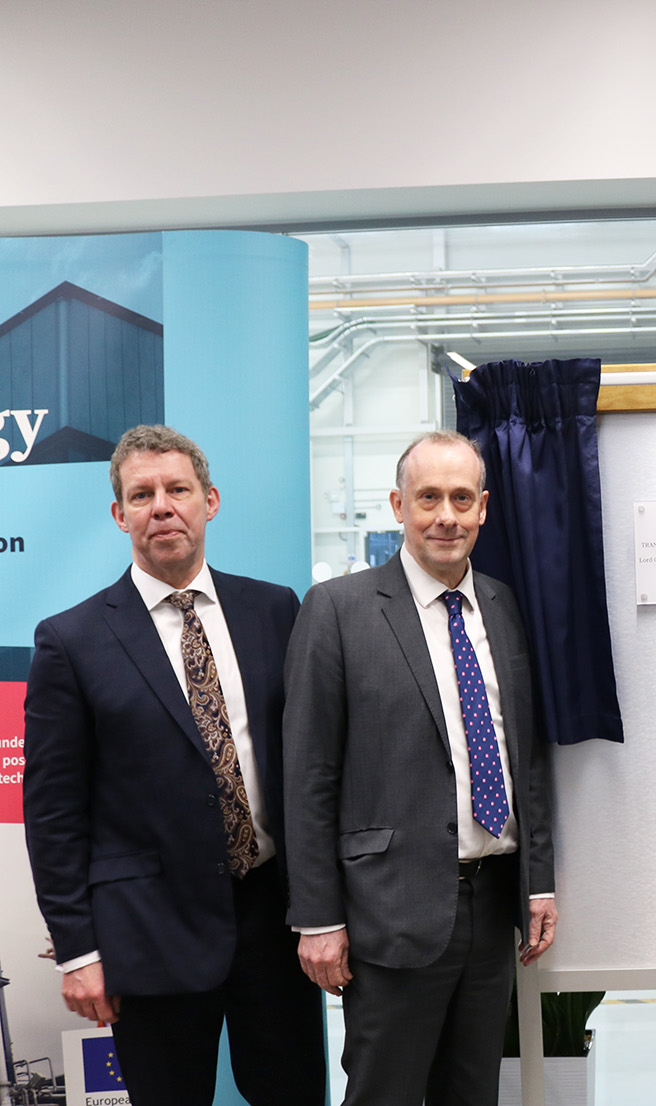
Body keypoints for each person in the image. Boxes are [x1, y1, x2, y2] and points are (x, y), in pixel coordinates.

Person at [22, 425, 324, 1106]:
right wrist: (78, 951)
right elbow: (53, 812)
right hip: (150, 932)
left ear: (209, 500)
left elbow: (310, 767)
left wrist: (326, 908)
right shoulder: (71, 640)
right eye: (142, 494)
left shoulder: (275, 609)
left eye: (177, 489)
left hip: (277, 925)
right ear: (118, 514)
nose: (161, 506)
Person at [284, 429, 556, 1106]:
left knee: (473, 1093)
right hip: (390, 911)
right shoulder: (338, 610)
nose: (446, 515)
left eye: (461, 498)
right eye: (428, 497)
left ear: (484, 507)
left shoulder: (503, 606)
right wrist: (317, 918)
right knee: (386, 1095)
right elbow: (309, 774)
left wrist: (539, 881)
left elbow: (527, 757)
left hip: (492, 906)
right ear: (397, 504)